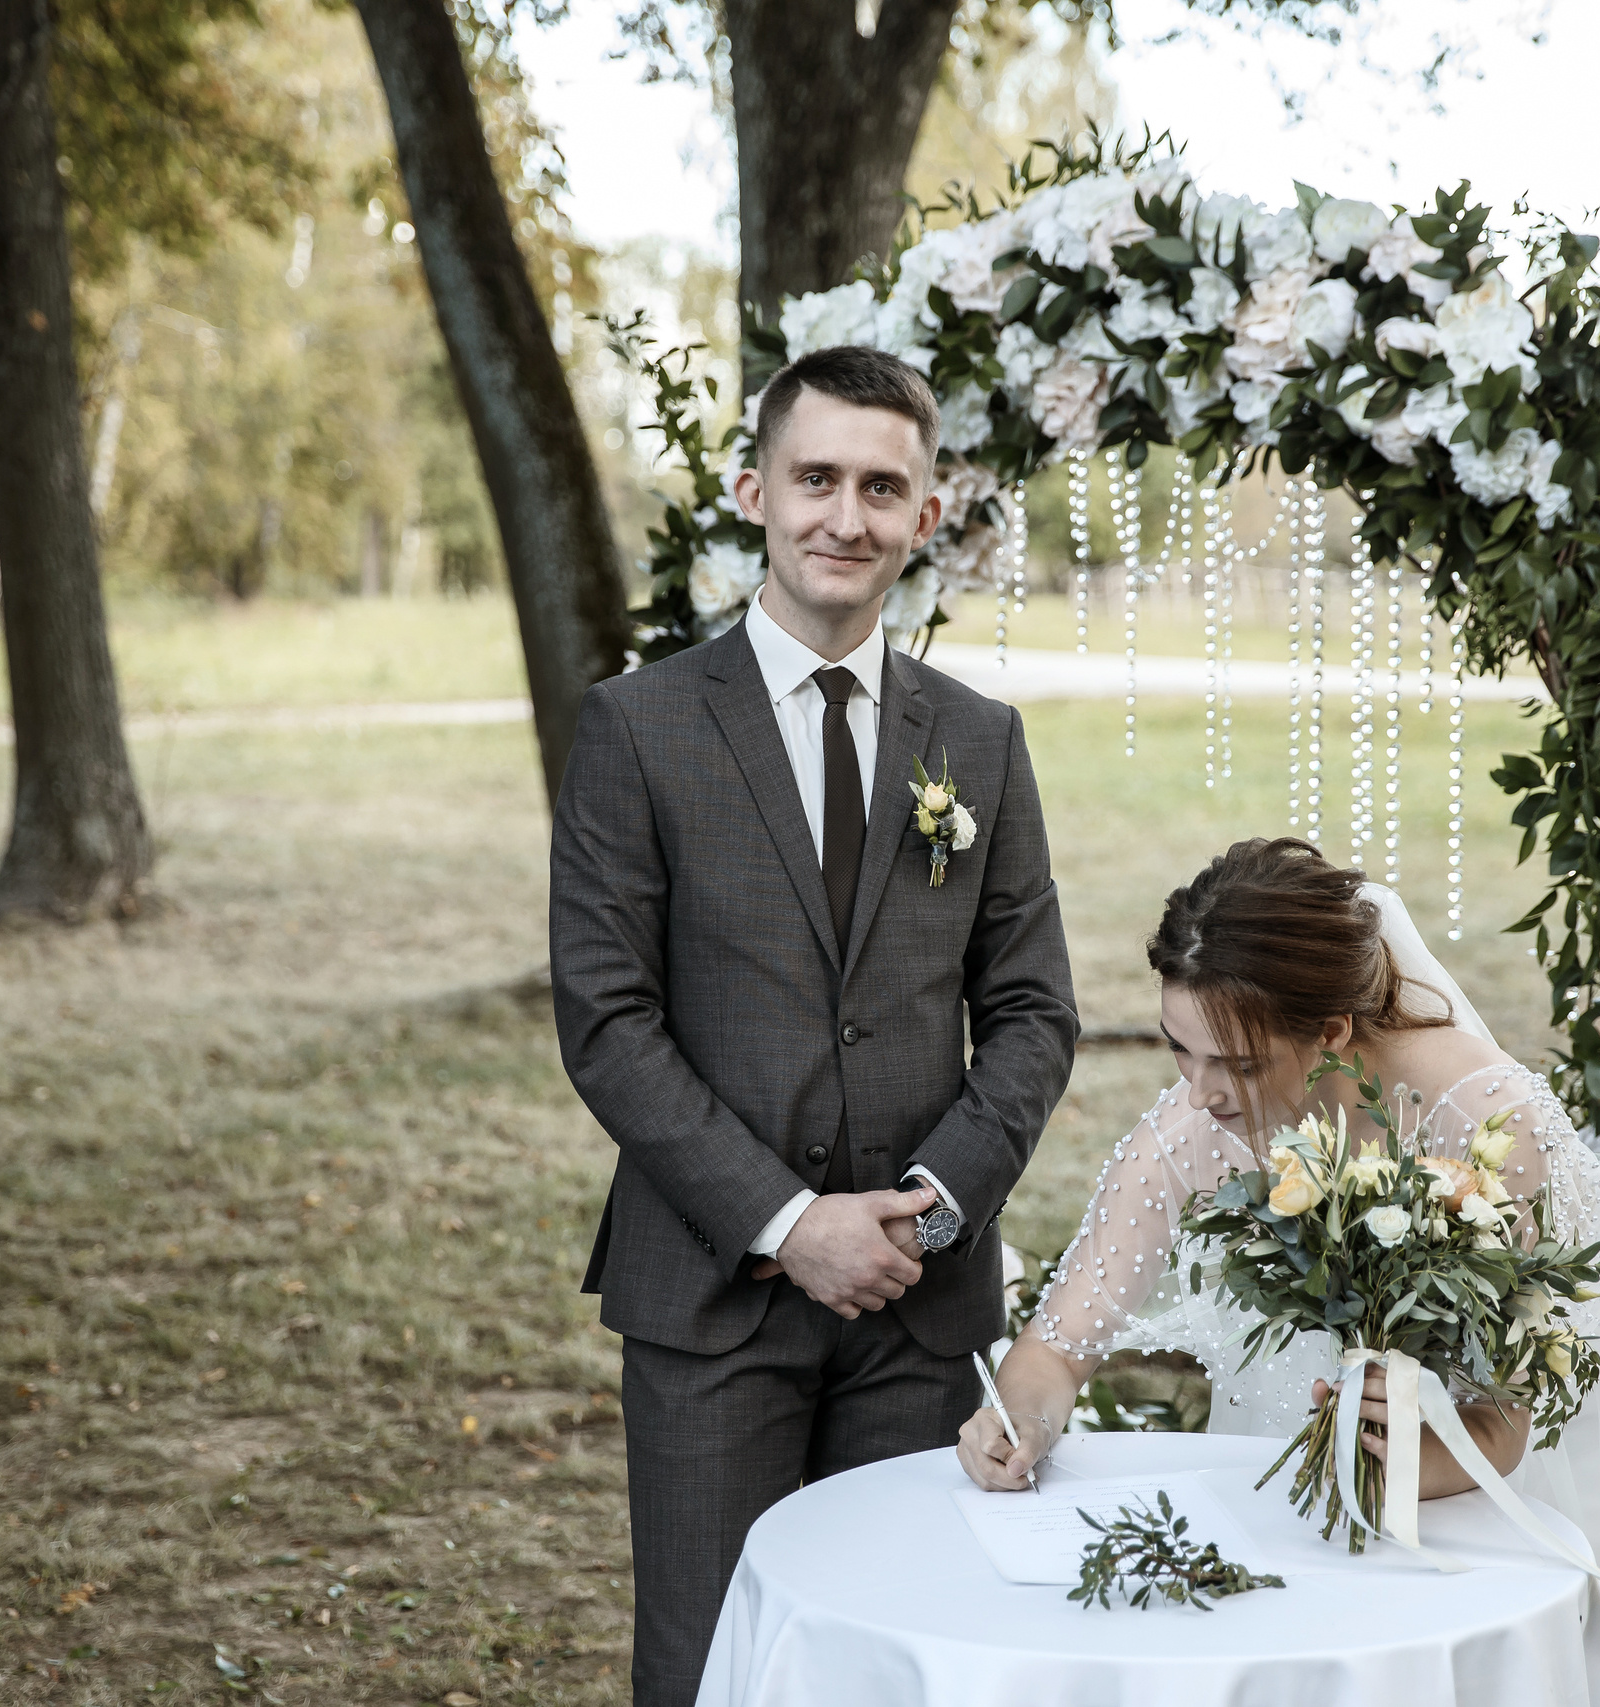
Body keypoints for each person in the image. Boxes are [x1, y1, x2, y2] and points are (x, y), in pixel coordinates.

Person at [961, 838, 1600, 1707]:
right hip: (1321, 1470)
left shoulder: (1482, 1128)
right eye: (1174, 1050)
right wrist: (1023, 1414)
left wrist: (1388, 1459)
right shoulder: (1193, 1124)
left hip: (1536, 1465)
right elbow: (1065, 1334)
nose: (1196, 1094)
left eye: (1230, 1064)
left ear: (1329, 1033)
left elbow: (1508, 1423)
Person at [550, 344, 1080, 1707]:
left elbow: (1032, 1011)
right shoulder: (637, 727)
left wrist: (929, 1209)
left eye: (882, 486)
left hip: (923, 1302)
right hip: (714, 1294)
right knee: (711, 1659)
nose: (847, 515)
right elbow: (608, 1021)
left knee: (908, 1661)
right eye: (817, 478)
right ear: (754, 492)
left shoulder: (980, 739)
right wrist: (793, 1222)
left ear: (929, 513)